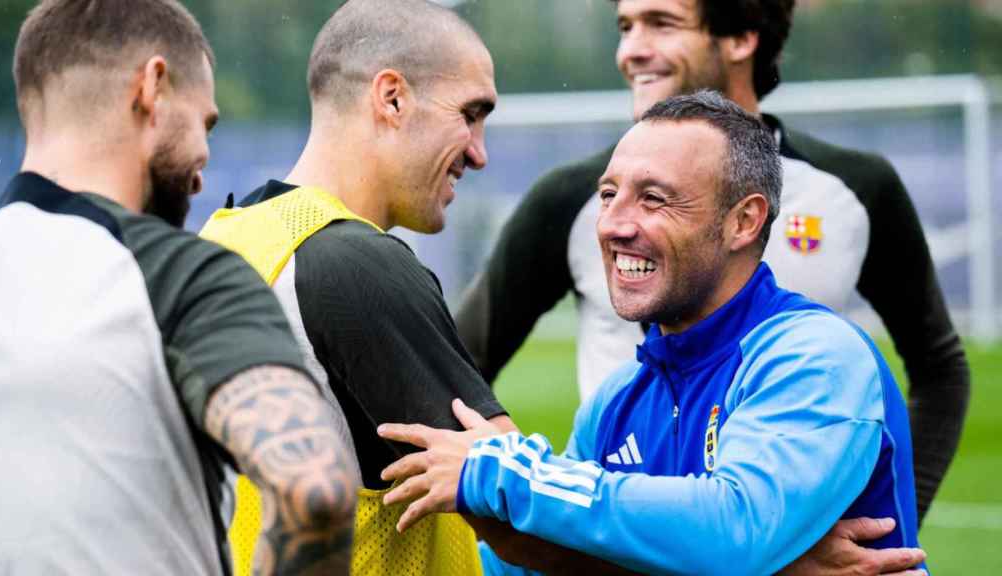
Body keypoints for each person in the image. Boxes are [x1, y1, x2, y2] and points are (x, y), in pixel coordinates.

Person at [455, 0, 969, 525]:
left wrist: (894, 517)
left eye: (662, 23)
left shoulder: (857, 190)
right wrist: (509, 487)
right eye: (625, 27)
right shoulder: (572, 200)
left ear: (743, 35)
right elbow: (455, 361)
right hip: (622, 548)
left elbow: (939, 368)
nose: (631, 50)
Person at [378, 91, 928, 576]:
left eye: (654, 199)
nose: (616, 224)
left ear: (744, 221)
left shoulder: (814, 357)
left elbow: (734, 530)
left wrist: (511, 471)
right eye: (609, 194)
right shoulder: (618, 401)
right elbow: (556, 562)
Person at [0, 1, 357, 574]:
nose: (203, 165)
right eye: (204, 124)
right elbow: (314, 490)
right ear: (152, 87)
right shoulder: (183, 274)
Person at [197, 1, 514, 574]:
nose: (479, 152)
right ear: (391, 97)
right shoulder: (352, 263)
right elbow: (523, 510)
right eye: (469, 114)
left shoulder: (220, 241)